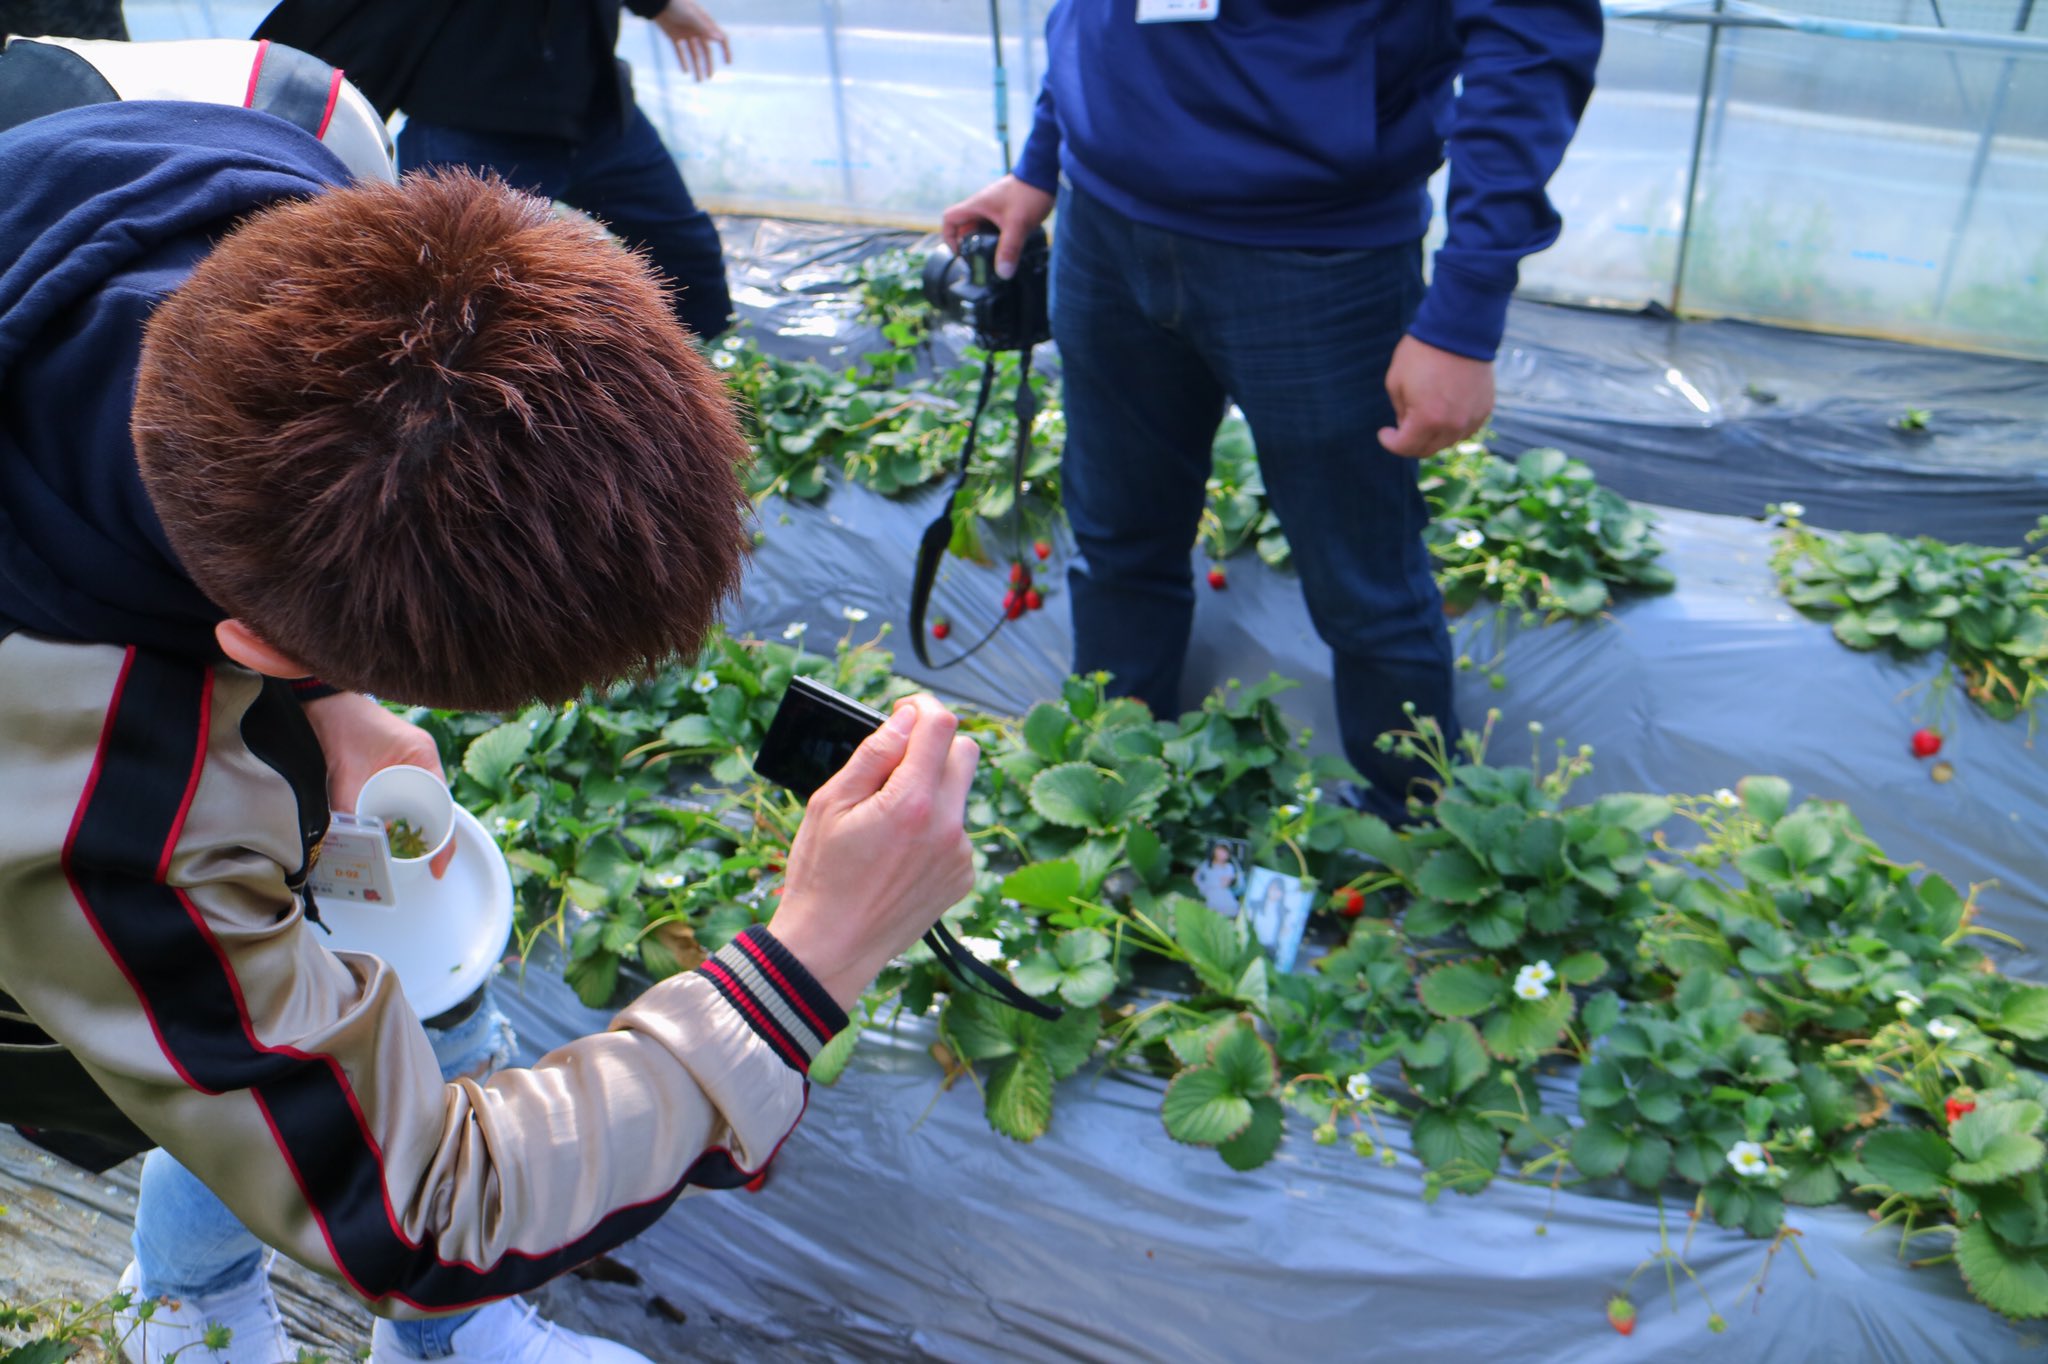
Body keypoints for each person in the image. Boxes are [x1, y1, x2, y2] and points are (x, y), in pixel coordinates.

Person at [0, 93, 978, 1364]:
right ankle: (176, 1300)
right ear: (250, 647)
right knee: (178, 1066)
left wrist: (336, 702)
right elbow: (417, 1205)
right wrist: (807, 962)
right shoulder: (87, 793)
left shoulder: (283, 163)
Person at [941, 0, 1603, 824]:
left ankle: (1418, 829)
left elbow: (1529, 34)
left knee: (1364, 581)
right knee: (1116, 538)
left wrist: (1465, 315)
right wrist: (1045, 158)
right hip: (1104, 229)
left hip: (1320, 258)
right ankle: (1110, 796)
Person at [257, 0, 737, 341]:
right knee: (450, 301)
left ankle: (716, 388)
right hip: (472, 120)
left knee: (685, 253)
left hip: (595, 109)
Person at [1191, 839, 1241, 917]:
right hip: (1208, 895)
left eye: (1225, 852)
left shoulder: (1229, 867)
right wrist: (1201, 886)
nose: (1222, 853)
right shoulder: (1206, 864)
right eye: (1220, 850)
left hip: (1223, 896)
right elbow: (1196, 877)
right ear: (1215, 850)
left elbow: (1226, 882)